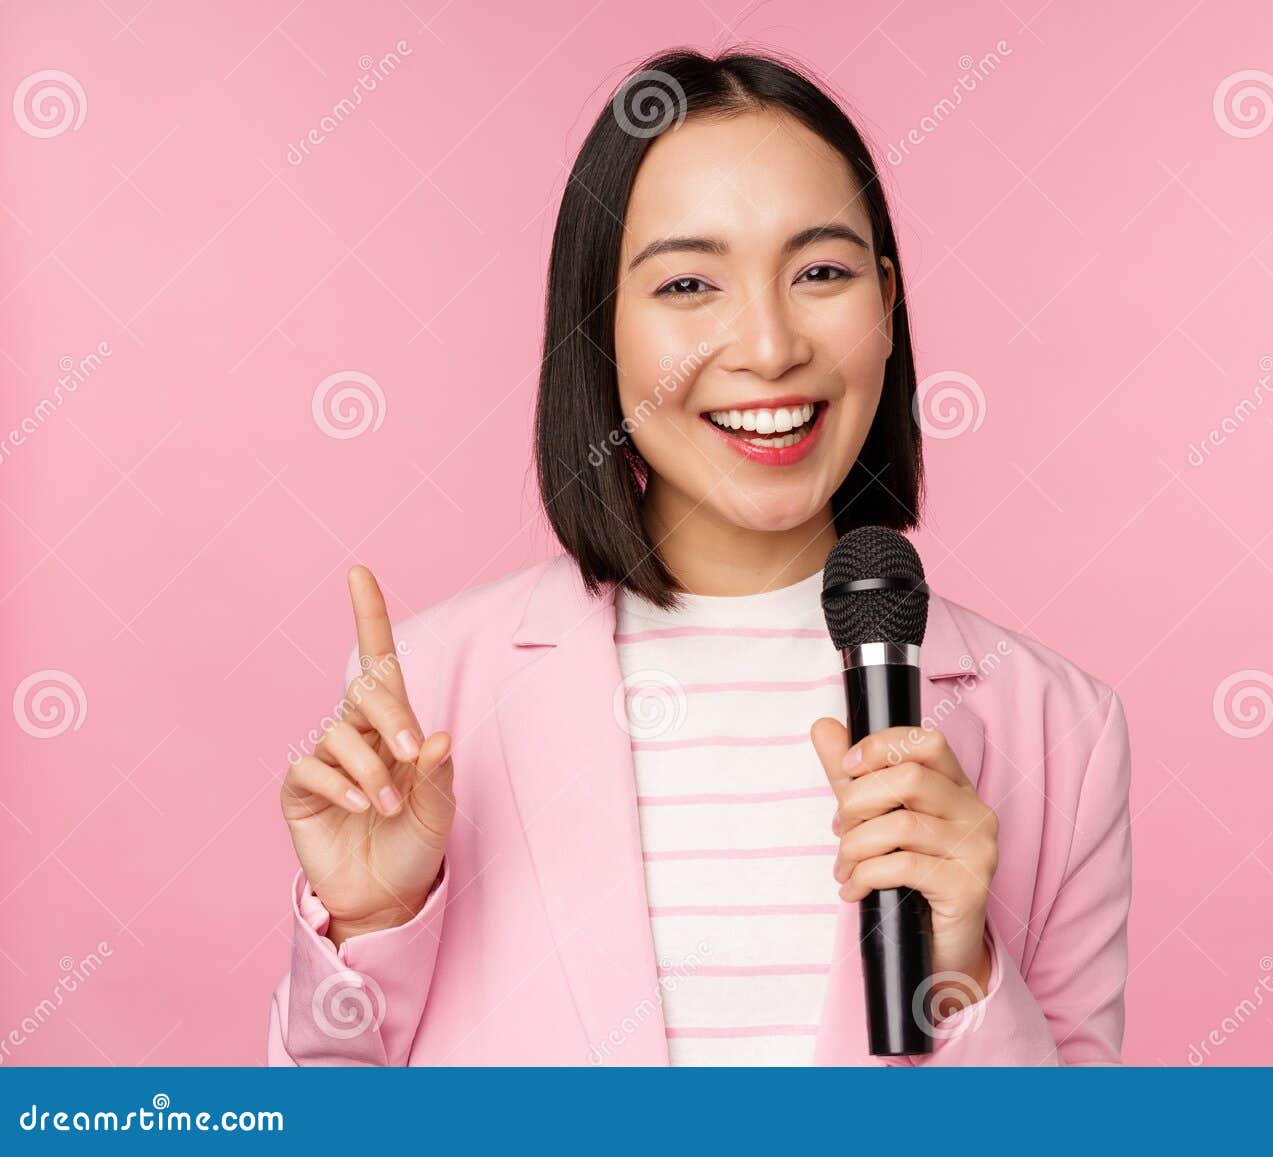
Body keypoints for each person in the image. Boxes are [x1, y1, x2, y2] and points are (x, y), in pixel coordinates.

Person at [269, 48, 1132, 1066]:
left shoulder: (1059, 729)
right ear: (599, 330)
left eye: (820, 272)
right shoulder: (429, 702)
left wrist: (963, 974)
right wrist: (370, 926)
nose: (767, 346)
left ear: (888, 307)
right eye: (687, 282)